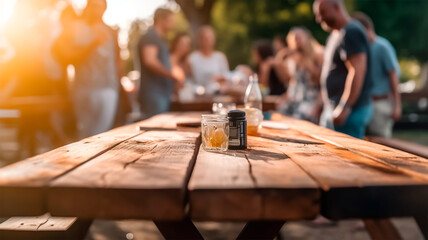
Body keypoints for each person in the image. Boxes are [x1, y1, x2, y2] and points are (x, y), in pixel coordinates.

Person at [54, 0, 121, 139]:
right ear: (88, 7)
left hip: (108, 88)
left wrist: (121, 87)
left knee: (102, 134)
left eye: (99, 7)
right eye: (93, 6)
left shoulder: (110, 31)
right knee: (85, 135)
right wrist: (92, 44)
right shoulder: (76, 29)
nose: (96, 11)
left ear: (105, 9)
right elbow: (67, 57)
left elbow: (117, 61)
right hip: (84, 88)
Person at [313, 0, 373, 139]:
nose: (319, 19)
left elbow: (357, 70)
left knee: (346, 159)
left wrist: (345, 107)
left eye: (322, 13)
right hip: (334, 108)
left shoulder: (351, 31)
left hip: (349, 112)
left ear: (336, 7)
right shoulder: (337, 34)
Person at [353, 12, 402, 138]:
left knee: (381, 141)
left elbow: (394, 75)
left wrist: (397, 105)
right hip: (365, 103)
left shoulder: (382, 46)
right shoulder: (362, 49)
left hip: (380, 103)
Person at [137, 8, 179, 119]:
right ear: (161, 20)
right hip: (154, 95)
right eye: (171, 20)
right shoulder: (151, 36)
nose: (173, 24)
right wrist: (171, 76)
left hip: (161, 94)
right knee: (155, 130)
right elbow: (150, 61)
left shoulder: (160, 39)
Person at [276, 27, 323, 122]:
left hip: (309, 100)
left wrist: (317, 106)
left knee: (298, 119)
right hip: (294, 98)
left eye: (299, 38)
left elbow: (320, 82)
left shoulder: (317, 55)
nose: (296, 41)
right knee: (278, 116)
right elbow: (291, 80)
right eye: (293, 39)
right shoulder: (292, 58)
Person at [189, 26, 229, 95]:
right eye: (205, 39)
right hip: (198, 95)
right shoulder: (192, 58)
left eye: (210, 38)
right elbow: (190, 80)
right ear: (199, 40)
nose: (208, 41)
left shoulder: (220, 57)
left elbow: (226, 77)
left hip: (218, 94)